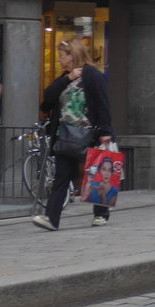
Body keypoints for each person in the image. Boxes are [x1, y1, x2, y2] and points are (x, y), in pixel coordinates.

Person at [33, 38, 115, 231]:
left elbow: (103, 103)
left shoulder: (92, 75)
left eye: (62, 56)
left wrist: (105, 131)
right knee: (62, 176)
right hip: (66, 135)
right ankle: (52, 219)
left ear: (73, 55)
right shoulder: (64, 78)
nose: (60, 60)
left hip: (89, 133)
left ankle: (101, 214)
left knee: (97, 172)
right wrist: (66, 79)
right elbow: (46, 102)